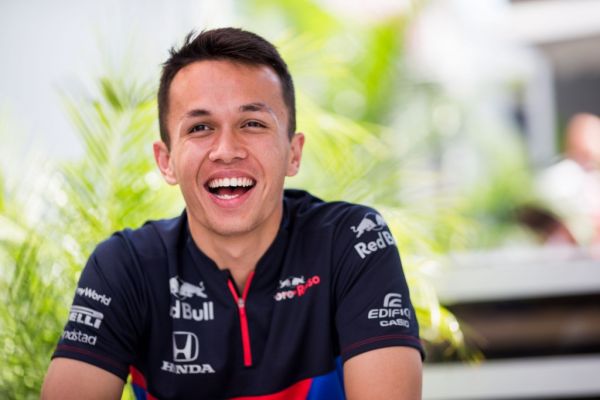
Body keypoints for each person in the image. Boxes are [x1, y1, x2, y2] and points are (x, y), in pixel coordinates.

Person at [41, 27, 423, 399]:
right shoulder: (127, 265)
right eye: (201, 127)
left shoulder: (352, 240)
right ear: (166, 160)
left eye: (252, 123)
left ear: (293, 152)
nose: (226, 149)